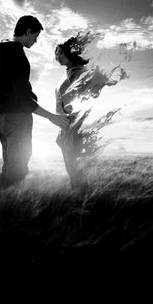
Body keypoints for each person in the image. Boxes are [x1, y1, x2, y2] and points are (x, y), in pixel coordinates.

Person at [0, 15, 69, 190]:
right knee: (18, 169)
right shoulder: (16, 54)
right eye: (35, 36)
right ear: (27, 32)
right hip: (18, 118)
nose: (35, 41)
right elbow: (21, 98)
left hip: (4, 118)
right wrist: (52, 117)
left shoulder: (2, 53)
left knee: (10, 167)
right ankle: (10, 211)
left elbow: (14, 90)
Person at [54, 33, 91, 193]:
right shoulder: (69, 71)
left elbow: (84, 96)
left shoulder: (78, 71)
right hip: (66, 123)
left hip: (74, 123)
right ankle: (79, 197)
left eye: (60, 53)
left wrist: (72, 119)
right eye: (56, 53)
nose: (57, 56)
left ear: (70, 53)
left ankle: (82, 200)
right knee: (71, 166)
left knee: (74, 165)